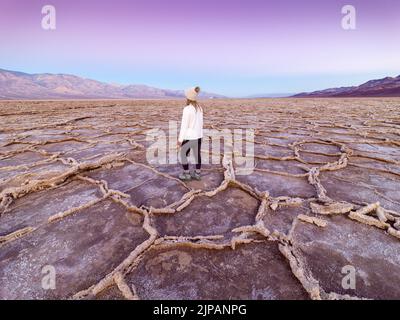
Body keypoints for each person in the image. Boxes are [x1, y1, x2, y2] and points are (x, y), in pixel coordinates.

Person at [177, 86, 203, 181]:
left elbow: (184, 126)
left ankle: (187, 174)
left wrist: (180, 140)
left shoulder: (187, 109)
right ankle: (197, 174)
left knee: (183, 154)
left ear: (188, 97)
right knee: (197, 155)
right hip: (198, 136)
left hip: (189, 137)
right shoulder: (199, 108)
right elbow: (200, 124)